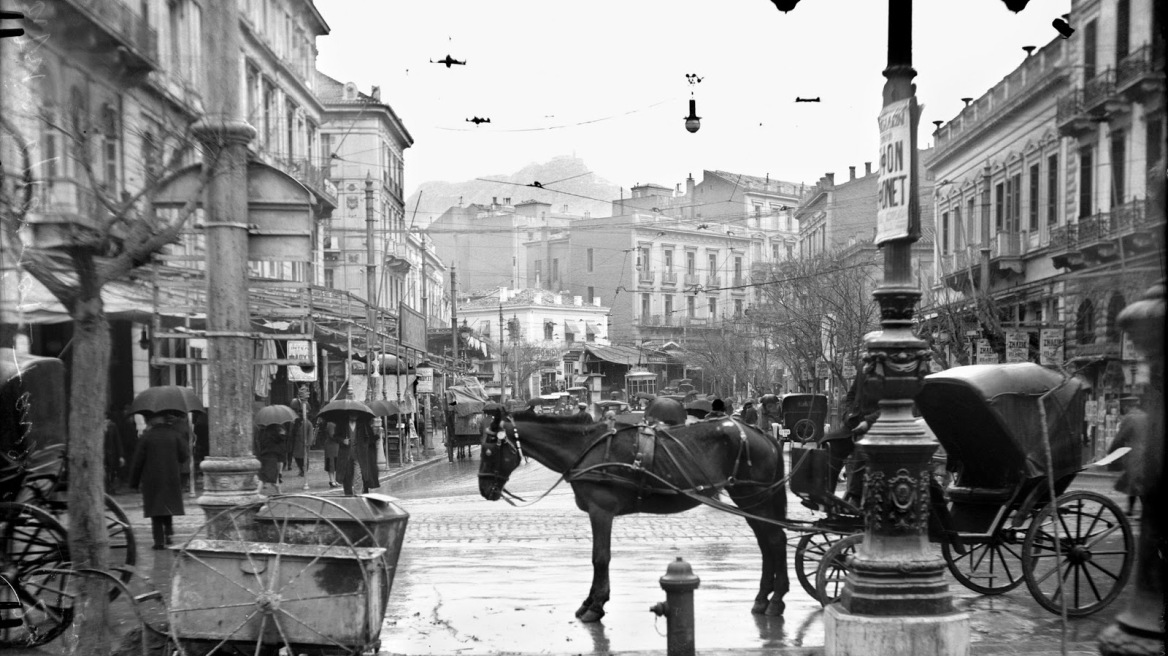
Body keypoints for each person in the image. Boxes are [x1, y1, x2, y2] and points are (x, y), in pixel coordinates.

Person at [129, 411, 189, 550]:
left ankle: (158, 540)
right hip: (171, 476)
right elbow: (184, 456)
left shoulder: (146, 437)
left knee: (155, 509)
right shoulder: (174, 434)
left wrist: (134, 482)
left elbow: (138, 461)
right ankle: (169, 534)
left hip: (152, 478)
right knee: (168, 506)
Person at [1108, 397, 1148, 516]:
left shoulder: (1129, 418)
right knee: (1135, 482)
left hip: (1134, 454)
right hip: (1146, 453)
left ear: (1126, 407)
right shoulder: (1146, 416)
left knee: (1135, 483)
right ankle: (1131, 510)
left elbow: (1120, 438)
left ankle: (1142, 512)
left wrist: (1111, 453)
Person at [334, 412, 379, 495]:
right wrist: (343, 440)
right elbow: (336, 437)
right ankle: (348, 495)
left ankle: (358, 495)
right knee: (347, 476)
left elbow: (368, 437)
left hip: (359, 455)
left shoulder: (363, 424)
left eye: (356, 414)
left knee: (359, 474)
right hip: (346, 455)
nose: (354, 416)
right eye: (352, 414)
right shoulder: (342, 424)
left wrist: (376, 436)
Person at [255, 422, 288, 495]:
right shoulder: (278, 433)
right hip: (272, 456)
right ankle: (257, 493)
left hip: (264, 454)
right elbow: (281, 442)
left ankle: (279, 492)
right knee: (264, 477)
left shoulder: (264, 431)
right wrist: (282, 434)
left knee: (270, 475)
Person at [103, 411, 124, 493]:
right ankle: (105, 488)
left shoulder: (112, 426)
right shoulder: (97, 426)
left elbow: (117, 441)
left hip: (111, 453)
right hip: (101, 453)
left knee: (111, 471)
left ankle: (110, 487)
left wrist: (121, 455)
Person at [317, 417, 339, 488]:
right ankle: (332, 480)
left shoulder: (334, 423)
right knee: (331, 463)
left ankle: (334, 480)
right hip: (331, 446)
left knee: (334, 463)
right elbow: (332, 435)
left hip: (335, 445)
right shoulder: (331, 424)